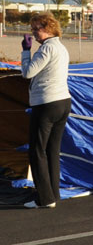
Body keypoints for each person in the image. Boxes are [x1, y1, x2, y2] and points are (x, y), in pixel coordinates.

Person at [20, 12, 71, 208]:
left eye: (37, 28)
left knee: (37, 151)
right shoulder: (61, 47)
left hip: (46, 104)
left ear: (48, 28)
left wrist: (26, 51)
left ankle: (45, 198)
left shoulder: (46, 49)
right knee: (52, 150)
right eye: (32, 29)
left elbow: (27, 73)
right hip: (63, 101)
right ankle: (53, 194)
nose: (33, 33)